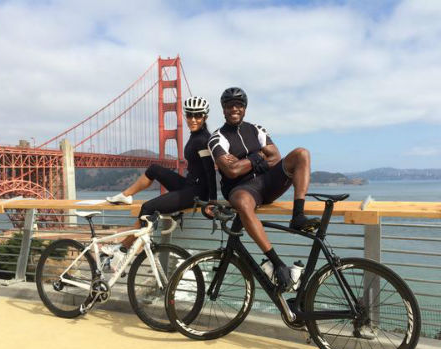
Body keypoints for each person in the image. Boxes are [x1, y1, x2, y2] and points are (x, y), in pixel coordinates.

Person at [208, 87, 320, 291]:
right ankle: (277, 263)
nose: (235, 108)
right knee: (242, 203)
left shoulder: (257, 129)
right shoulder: (217, 138)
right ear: (223, 109)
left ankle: (298, 216)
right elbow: (231, 171)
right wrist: (258, 156)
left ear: (245, 108)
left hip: (267, 183)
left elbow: (276, 158)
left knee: (301, 153)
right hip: (241, 189)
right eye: (230, 105)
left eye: (239, 105)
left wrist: (244, 161)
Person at [103, 96, 217, 254]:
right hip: (189, 185)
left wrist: (212, 200)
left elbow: (210, 171)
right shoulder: (195, 136)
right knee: (154, 169)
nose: (193, 119)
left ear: (205, 117)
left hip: (197, 193)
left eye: (198, 115)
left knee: (147, 207)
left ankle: (123, 247)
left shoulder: (203, 140)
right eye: (190, 115)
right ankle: (126, 195)